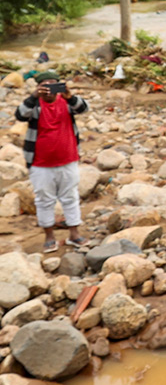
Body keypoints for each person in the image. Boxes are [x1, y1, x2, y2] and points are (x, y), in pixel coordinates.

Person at [17, 70, 88, 253]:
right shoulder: (35, 105)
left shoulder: (66, 102)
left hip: (68, 159)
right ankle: (49, 236)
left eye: (53, 84)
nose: (50, 89)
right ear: (39, 87)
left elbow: (83, 109)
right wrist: (33, 96)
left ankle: (74, 233)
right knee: (44, 200)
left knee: (70, 197)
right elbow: (20, 115)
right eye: (45, 85)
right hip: (40, 163)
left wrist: (70, 96)